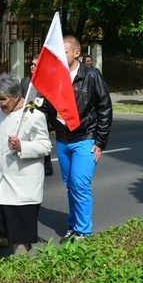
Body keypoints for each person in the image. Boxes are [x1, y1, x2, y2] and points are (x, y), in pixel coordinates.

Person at [46, 35, 112, 243]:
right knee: (70, 185)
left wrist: (100, 141)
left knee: (80, 184)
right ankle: (73, 226)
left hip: (85, 137)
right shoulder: (55, 76)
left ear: (76, 53)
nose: (60, 56)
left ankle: (84, 232)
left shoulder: (91, 76)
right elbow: (47, 104)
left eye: (64, 52)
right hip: (63, 140)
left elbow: (105, 108)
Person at [0, 74, 51, 255]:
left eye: (4, 99)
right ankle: (13, 245)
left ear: (16, 97)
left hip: (23, 182)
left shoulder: (34, 116)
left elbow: (45, 146)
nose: (0, 103)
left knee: (19, 227)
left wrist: (23, 146)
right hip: (1, 177)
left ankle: (20, 263)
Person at [20, 55, 54, 176]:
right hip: (26, 114)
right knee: (28, 139)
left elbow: (51, 103)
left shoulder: (47, 82)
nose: (32, 66)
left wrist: (51, 123)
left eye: (36, 64)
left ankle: (47, 167)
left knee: (40, 140)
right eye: (31, 64)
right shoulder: (25, 80)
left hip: (41, 116)